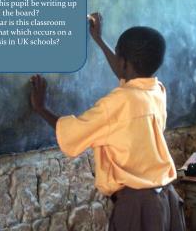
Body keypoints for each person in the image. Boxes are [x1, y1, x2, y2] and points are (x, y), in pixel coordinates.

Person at [30, 12, 186, 231]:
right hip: (164, 199)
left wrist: (41, 108)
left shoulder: (117, 103)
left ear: (123, 62)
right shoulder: (156, 91)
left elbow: (72, 132)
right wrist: (100, 41)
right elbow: (128, 76)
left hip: (137, 206)